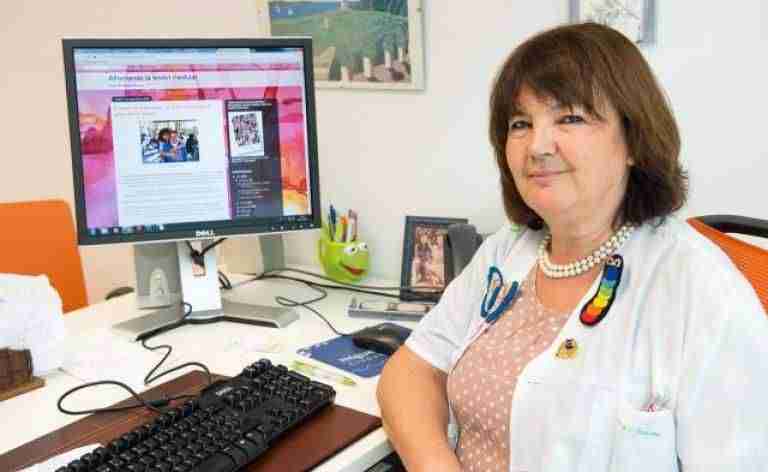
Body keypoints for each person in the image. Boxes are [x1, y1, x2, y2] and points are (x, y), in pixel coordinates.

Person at [377, 22, 768, 472]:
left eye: (570, 118)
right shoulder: (509, 251)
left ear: (633, 141)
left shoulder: (701, 288)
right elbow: (411, 370)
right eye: (521, 124)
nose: (538, 146)